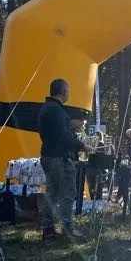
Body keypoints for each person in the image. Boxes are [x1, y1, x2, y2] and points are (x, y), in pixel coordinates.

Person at [38, 79, 92, 241]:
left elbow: (53, 132)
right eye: (68, 90)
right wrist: (82, 145)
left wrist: (70, 125)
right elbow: (63, 136)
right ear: (64, 92)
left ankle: (48, 228)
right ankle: (68, 229)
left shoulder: (46, 108)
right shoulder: (57, 111)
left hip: (47, 154)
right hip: (60, 158)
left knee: (52, 193)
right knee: (68, 193)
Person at [115, 128, 131, 204]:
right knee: (124, 182)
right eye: (130, 133)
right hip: (124, 164)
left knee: (125, 182)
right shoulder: (125, 141)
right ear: (127, 134)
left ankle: (120, 199)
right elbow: (123, 153)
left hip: (128, 163)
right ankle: (122, 199)